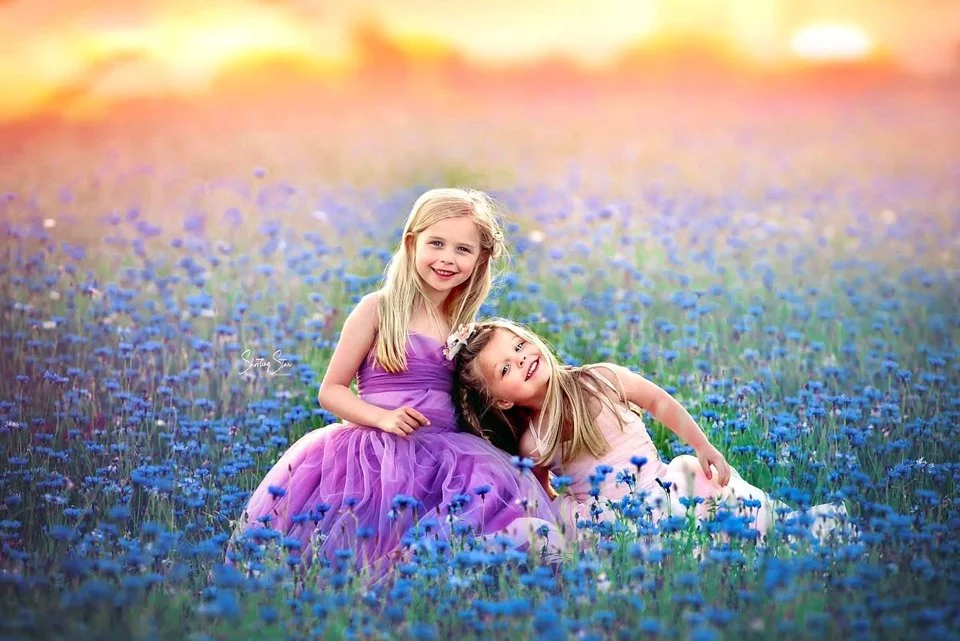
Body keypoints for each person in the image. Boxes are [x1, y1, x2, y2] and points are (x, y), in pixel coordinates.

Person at [234, 189, 560, 579]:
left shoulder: (463, 326)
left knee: (461, 523)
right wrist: (382, 419)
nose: (447, 258)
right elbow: (331, 390)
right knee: (367, 537)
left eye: (463, 249)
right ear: (411, 243)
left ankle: (441, 578)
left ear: (480, 260)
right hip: (374, 454)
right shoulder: (378, 309)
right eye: (436, 243)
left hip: (444, 457)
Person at [451, 318, 848, 542]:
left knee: (713, 508)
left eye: (519, 346)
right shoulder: (532, 441)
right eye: (506, 368)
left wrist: (703, 446)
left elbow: (660, 403)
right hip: (610, 516)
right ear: (502, 401)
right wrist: (571, 509)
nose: (522, 360)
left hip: (661, 487)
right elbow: (542, 492)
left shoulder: (601, 379)